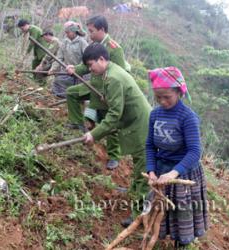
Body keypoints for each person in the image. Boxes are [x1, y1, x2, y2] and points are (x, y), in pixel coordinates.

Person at [81, 43, 151, 225]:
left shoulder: (113, 78)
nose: (90, 69)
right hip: (134, 121)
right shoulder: (109, 72)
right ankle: (133, 193)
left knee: (143, 167)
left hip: (141, 124)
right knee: (139, 164)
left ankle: (139, 215)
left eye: (91, 65)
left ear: (102, 59)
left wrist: (94, 134)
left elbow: (114, 114)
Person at [146, 67, 208, 248]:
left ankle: (182, 242)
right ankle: (157, 233)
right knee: (157, 205)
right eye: (159, 97)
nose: (163, 101)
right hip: (161, 169)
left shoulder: (187, 117)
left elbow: (195, 152)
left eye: (167, 97)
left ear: (178, 92)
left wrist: (174, 173)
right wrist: (151, 170)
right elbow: (150, 145)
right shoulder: (154, 114)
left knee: (182, 209)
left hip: (183, 172)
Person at [66, 15, 130, 170]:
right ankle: (78, 123)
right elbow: (86, 66)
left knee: (110, 123)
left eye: (92, 31)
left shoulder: (114, 48)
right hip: (93, 86)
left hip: (108, 91)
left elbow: (120, 75)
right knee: (71, 93)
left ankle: (114, 156)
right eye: (88, 31)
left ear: (102, 30)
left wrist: (109, 94)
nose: (90, 34)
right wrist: (74, 69)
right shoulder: (94, 45)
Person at [48, 21, 88, 98]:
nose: (66, 34)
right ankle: (61, 97)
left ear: (74, 32)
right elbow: (59, 57)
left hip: (80, 71)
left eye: (68, 32)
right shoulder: (65, 42)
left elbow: (87, 58)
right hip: (67, 70)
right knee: (58, 81)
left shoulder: (82, 42)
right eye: (66, 32)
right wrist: (53, 68)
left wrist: (79, 68)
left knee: (79, 89)